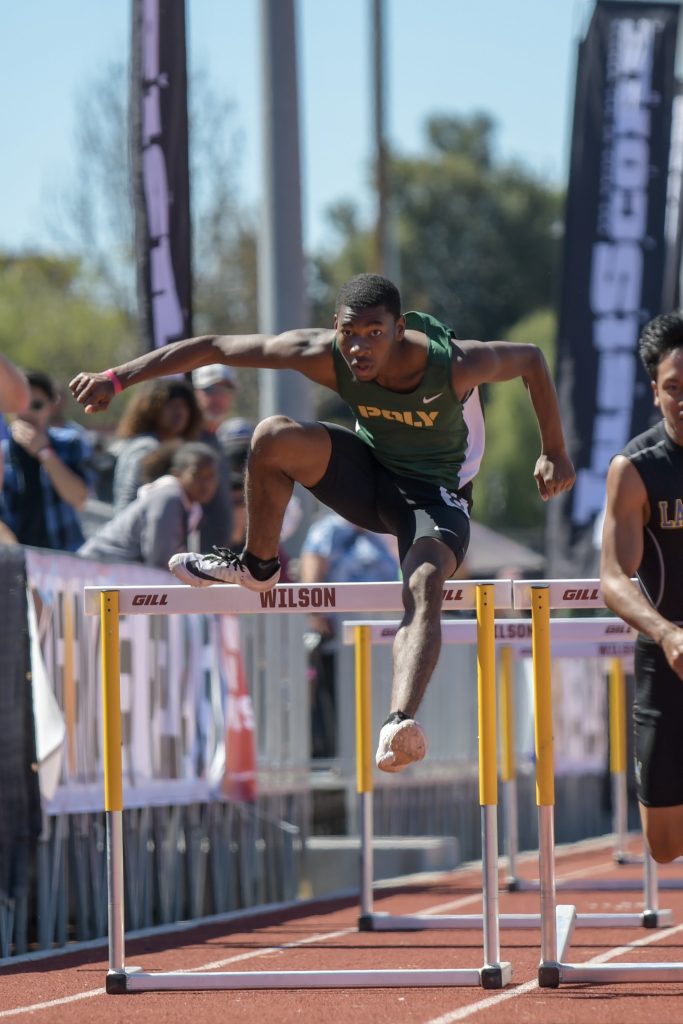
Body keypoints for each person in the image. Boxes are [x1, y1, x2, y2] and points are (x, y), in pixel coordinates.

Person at [70, 272, 575, 771]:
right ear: (335, 327)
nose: (359, 348)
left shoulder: (453, 364)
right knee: (273, 435)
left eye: (374, 334)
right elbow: (215, 347)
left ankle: (399, 721)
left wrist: (553, 449)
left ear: (399, 329)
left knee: (424, 582)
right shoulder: (322, 354)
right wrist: (117, 378)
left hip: (434, 496)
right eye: (349, 333)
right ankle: (258, 564)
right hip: (368, 476)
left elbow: (531, 359)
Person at [600, 311, 683, 864]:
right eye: (674, 388)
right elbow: (613, 576)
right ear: (655, 392)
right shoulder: (635, 468)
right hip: (665, 659)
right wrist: (666, 633)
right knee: (663, 845)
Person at [300, 511, 400, 758]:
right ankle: (344, 761)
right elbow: (311, 579)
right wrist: (316, 615)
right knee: (342, 705)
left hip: (380, 641)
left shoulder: (379, 533)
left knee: (377, 703)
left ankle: (377, 757)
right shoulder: (326, 531)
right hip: (339, 641)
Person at [78, 441, 219, 569]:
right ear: (177, 474)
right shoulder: (169, 498)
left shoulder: (192, 507)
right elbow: (162, 563)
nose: (205, 483)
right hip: (92, 572)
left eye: (211, 476)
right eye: (196, 475)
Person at [1, 370, 91, 552]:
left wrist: (44, 452)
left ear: (50, 407)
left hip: (64, 556)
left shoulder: (70, 443)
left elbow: (79, 499)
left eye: (36, 405)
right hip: (15, 558)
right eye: (20, 406)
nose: (27, 413)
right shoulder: (2, 453)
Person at [111, 378, 202, 512]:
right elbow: (128, 501)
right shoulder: (146, 447)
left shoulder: (170, 447)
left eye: (184, 406)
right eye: (172, 405)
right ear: (153, 408)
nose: (179, 412)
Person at [191, 364, 236, 552]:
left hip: (214, 558)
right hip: (190, 558)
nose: (218, 398)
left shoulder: (216, 440)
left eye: (225, 391)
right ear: (194, 394)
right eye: (210, 390)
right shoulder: (189, 440)